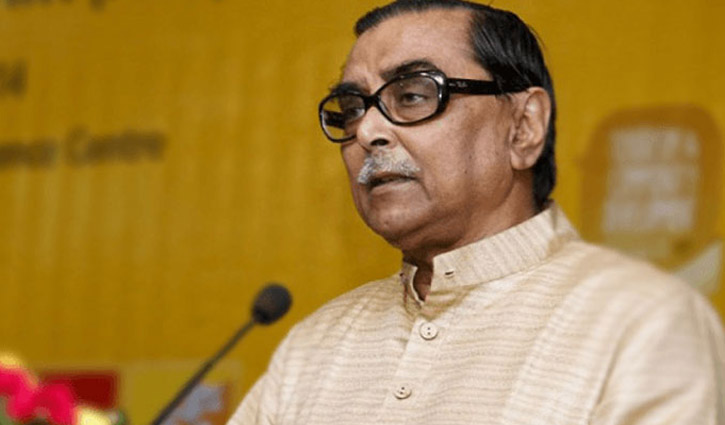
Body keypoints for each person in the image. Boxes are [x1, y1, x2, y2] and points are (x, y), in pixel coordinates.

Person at [228, 1, 725, 424]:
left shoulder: (642, 323)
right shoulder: (315, 346)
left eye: (413, 95)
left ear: (523, 127)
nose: (367, 131)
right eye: (353, 107)